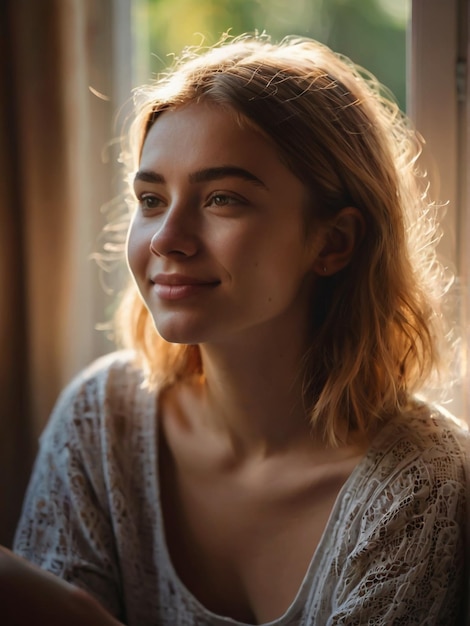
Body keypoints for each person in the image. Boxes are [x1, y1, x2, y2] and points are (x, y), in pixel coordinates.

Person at [2, 33, 469, 625]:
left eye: (222, 198)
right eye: (150, 199)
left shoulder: (420, 485)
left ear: (335, 241)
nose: (167, 238)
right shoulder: (100, 422)